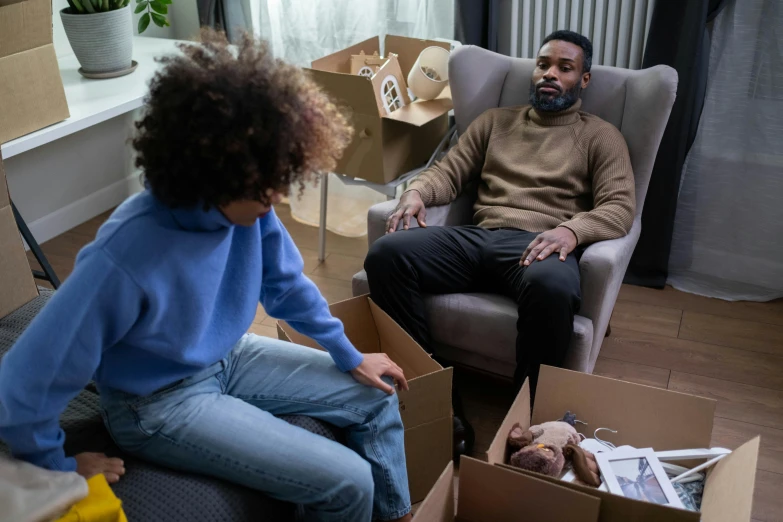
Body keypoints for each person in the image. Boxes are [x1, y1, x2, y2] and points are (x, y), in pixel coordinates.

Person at [0, 31, 413, 522]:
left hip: (226, 358)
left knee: (375, 395)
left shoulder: (251, 209)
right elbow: (23, 385)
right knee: (348, 481)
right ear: (211, 173)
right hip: (153, 404)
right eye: (265, 187)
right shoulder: (124, 255)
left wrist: (348, 353)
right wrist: (59, 466)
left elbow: (285, 286)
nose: (278, 196)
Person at [364, 30, 635, 458]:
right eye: (544, 64)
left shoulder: (601, 137)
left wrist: (572, 231)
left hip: (540, 246)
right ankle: (437, 399)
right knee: (386, 254)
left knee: (554, 287)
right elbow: (448, 172)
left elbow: (620, 208)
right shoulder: (495, 122)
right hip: (478, 238)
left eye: (565, 68)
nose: (550, 74)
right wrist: (416, 192)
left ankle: (524, 422)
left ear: (584, 79)